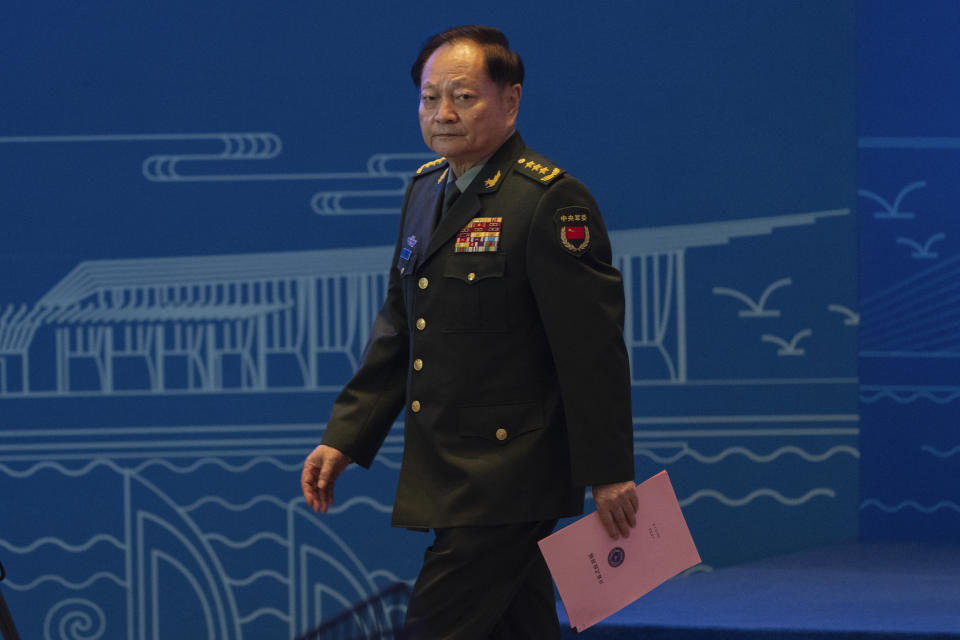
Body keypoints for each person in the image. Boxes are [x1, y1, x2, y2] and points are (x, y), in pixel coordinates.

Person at [301, 25, 638, 639]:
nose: (443, 113)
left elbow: (592, 351)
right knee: (518, 627)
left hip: (511, 476)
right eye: (430, 98)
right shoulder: (426, 190)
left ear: (510, 101)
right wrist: (346, 437)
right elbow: (402, 327)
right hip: (450, 468)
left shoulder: (549, 201)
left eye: (463, 96)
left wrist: (610, 469)